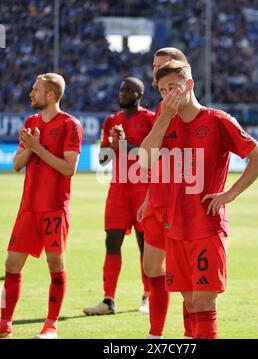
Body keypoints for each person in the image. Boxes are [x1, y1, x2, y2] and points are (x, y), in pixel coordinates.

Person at [138, 60, 258, 339]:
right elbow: (144, 160)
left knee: (203, 302)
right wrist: (162, 119)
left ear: (190, 85)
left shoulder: (217, 120)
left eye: (173, 87)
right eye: (162, 91)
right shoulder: (166, 123)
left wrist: (229, 194)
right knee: (188, 303)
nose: (168, 95)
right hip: (174, 229)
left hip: (207, 229)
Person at [0, 73, 83, 339]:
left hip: (54, 207)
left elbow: (69, 168)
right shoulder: (31, 122)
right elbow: (16, 164)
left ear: (50, 95)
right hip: (28, 207)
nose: (30, 94)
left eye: (35, 90)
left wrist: (37, 147)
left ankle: (51, 325)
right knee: (11, 265)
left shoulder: (71, 125)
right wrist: (29, 147)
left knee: (55, 265)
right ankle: (5, 323)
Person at [83, 77, 154, 316]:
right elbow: (103, 160)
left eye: (128, 90)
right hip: (118, 192)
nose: (122, 93)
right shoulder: (111, 121)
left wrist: (125, 144)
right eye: (121, 89)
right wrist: (112, 145)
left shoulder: (151, 119)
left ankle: (148, 296)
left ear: (139, 94)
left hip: (144, 192)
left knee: (146, 247)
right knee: (111, 244)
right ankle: (108, 300)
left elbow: (153, 153)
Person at [137, 48, 193, 339]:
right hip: (157, 198)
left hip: (181, 202)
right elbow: (153, 158)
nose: (157, 70)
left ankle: (188, 333)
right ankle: (155, 335)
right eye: (155, 67)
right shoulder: (161, 109)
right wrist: (148, 196)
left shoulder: (190, 111)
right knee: (151, 268)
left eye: (164, 67)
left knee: (183, 275)